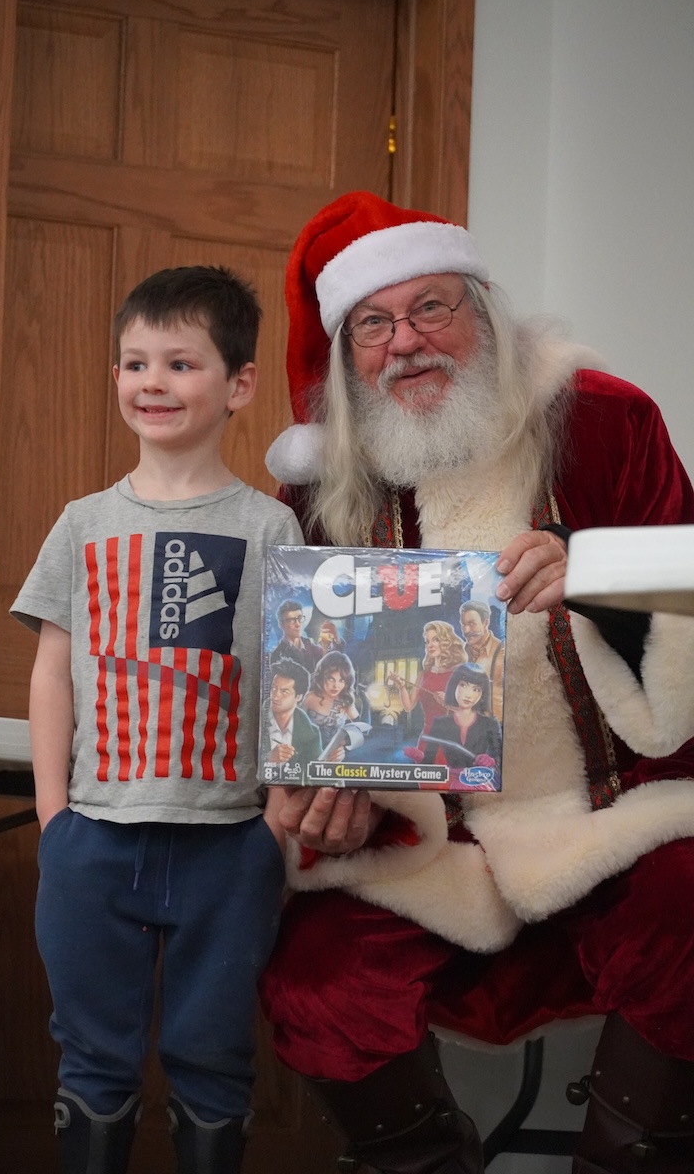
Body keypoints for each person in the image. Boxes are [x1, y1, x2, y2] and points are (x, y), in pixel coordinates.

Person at [258, 191, 694, 1174]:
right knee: (313, 980)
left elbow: (689, 584)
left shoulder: (607, 421)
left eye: (430, 308)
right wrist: (329, 798)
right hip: (432, 847)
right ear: (347, 355)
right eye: (373, 324)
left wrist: (596, 572)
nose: (405, 343)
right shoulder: (320, 492)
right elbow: (308, 710)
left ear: (483, 315)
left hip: (607, 817)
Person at [10, 265, 303, 1174]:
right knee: (92, 1059)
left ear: (238, 385)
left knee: (213, 1059)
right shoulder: (82, 523)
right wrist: (54, 817)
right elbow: (51, 671)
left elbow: (297, 680)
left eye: (181, 364)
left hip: (229, 843)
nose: (154, 383)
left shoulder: (271, 529)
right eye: (136, 364)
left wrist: (278, 820)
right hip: (94, 836)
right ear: (116, 378)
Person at [389, 619, 466, 760]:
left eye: (436, 640)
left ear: (446, 642)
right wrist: (401, 686)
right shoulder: (423, 674)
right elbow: (408, 706)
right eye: (427, 641)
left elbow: (470, 711)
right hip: (427, 739)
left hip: (452, 740)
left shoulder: (459, 673)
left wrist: (449, 701)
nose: (430, 645)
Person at [419, 662, 501, 775]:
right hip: (450, 782)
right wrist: (419, 758)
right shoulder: (440, 724)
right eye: (463, 685)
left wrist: (491, 761)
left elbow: (500, 759)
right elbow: (427, 763)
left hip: (480, 781)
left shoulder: (490, 724)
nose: (468, 695)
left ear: (482, 694)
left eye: (476, 689)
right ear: (454, 686)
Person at [264, 658, 322, 769]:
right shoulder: (255, 720)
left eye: (284, 691)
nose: (275, 696)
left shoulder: (312, 734)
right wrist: (268, 759)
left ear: (298, 697)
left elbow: (314, 773)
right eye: (274, 688)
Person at [302, 650, 360, 754]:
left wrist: (344, 743)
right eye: (331, 679)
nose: (336, 686)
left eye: (341, 680)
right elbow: (295, 726)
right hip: (309, 753)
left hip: (335, 755)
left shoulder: (346, 700)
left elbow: (359, 727)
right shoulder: (310, 698)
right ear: (321, 677)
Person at [459, 599, 505, 719]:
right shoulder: (460, 653)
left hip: (493, 726)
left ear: (485, 623)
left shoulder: (502, 653)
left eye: (472, 624)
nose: (466, 630)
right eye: (463, 624)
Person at [268, 598, 322, 672]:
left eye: (300, 618)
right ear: (281, 625)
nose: (298, 624)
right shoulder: (277, 655)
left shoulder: (309, 645)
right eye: (291, 620)